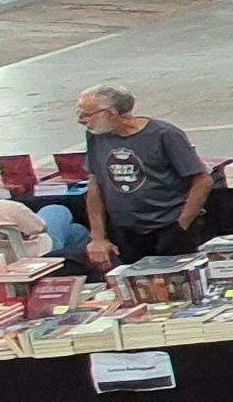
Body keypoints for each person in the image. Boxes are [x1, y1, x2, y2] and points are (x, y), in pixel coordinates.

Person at [74, 82, 206, 268]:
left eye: (86, 114)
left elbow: (202, 180)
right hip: (127, 233)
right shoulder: (96, 136)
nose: (80, 120)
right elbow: (95, 185)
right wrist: (98, 237)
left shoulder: (164, 134)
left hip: (168, 228)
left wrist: (182, 224)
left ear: (112, 113)